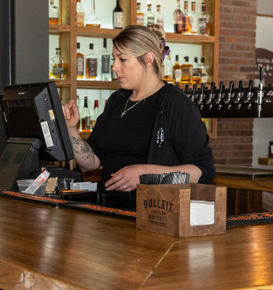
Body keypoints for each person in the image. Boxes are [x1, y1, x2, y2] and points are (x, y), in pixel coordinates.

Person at [62, 25, 215, 192]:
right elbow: (91, 162)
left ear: (148, 59)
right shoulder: (117, 100)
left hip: (151, 212)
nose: (114, 67)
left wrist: (146, 176)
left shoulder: (176, 104)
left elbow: (203, 171)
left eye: (122, 59)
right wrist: (71, 130)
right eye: (114, 59)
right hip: (107, 209)